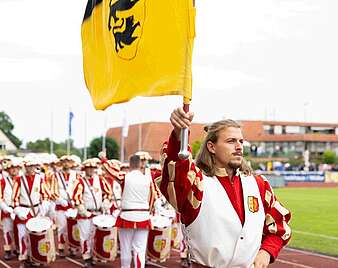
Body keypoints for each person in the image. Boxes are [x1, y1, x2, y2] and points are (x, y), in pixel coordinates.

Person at [158, 107, 292, 268]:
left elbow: (279, 226)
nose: (239, 146)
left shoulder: (259, 184)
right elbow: (175, 172)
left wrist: (266, 251)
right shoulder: (197, 184)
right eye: (231, 141)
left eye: (241, 141)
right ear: (211, 147)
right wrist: (179, 135)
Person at [99, 154, 157, 268]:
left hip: (127, 215)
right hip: (143, 216)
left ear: (129, 165)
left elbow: (110, 171)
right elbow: (152, 196)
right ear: (140, 164)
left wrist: (104, 159)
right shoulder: (147, 178)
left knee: (125, 248)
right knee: (139, 250)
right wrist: (147, 211)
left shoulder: (125, 176)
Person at [71, 158, 112, 267]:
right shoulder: (80, 181)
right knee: (85, 236)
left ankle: (95, 255)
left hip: (97, 213)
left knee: (95, 236)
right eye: (89, 168)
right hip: (85, 213)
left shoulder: (100, 179)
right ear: (85, 169)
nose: (91, 170)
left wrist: (106, 201)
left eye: (93, 168)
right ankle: (86, 257)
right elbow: (76, 197)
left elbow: (108, 192)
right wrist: (81, 208)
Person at [11, 158, 51, 268]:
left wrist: (43, 208)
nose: (31, 168)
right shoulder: (19, 179)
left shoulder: (40, 179)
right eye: (29, 166)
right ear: (25, 167)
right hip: (23, 211)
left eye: (33, 166)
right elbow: (14, 199)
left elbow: (46, 195)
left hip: (36, 211)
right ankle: (23, 258)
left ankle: (35, 257)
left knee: (36, 236)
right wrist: (18, 211)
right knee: (23, 236)